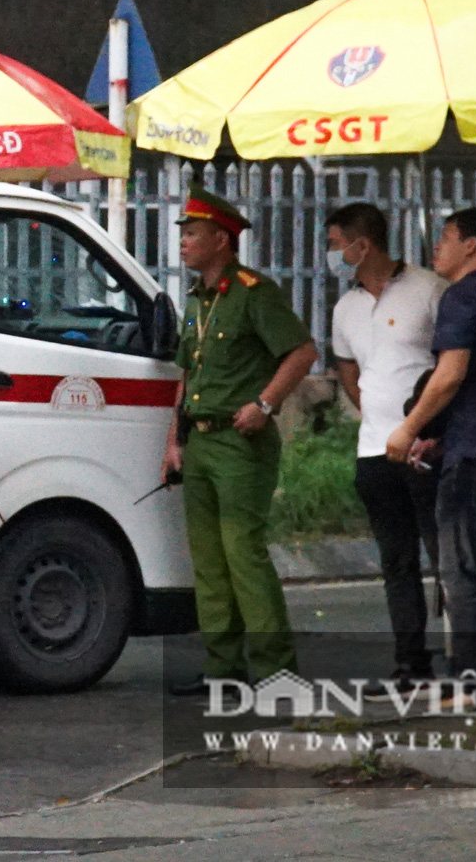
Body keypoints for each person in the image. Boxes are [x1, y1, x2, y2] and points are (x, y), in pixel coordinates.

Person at [162, 188, 318, 694]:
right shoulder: (195, 301)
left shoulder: (255, 292)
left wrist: (267, 404)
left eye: (192, 234)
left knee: (243, 554)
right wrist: (174, 442)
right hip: (201, 442)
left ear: (221, 240)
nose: (183, 243)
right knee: (208, 561)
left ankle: (276, 669)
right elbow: (187, 374)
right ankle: (222, 667)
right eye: (182, 234)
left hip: (240, 442)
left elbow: (302, 352)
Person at [384, 208, 476, 691]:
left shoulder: (462, 296)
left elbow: (449, 376)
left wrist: (408, 429)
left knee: (464, 574)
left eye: (447, 237)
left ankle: (470, 682)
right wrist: (440, 438)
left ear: (471, 245)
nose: (437, 247)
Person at [326, 202, 448, 690]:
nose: (332, 255)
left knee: (445, 558)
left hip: (428, 449)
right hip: (375, 452)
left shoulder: (429, 290)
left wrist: (426, 426)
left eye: (336, 245)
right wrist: (375, 416)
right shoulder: (345, 307)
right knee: (397, 563)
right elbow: (349, 372)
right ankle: (410, 664)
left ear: (363, 244)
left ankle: (468, 662)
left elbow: (452, 366)